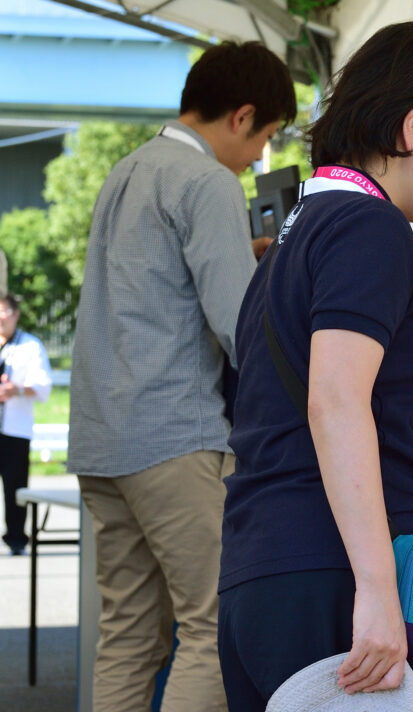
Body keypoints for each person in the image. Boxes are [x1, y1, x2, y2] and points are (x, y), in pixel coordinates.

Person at [216, 22, 413, 711]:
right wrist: (378, 588)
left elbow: (315, 402)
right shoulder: (370, 227)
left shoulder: (298, 232)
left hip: (267, 571)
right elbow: (334, 402)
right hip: (330, 576)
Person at [68, 41, 296, 712]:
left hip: (103, 439)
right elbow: (238, 324)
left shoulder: (128, 169)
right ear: (242, 115)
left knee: (129, 635)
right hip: (174, 436)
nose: (261, 158)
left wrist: (240, 253)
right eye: (268, 138)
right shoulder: (209, 182)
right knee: (213, 623)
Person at [0, 294, 52, 555]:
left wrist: (15, 390)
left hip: (14, 429)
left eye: (4, 313)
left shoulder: (30, 346)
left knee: (15, 486)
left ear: (15, 314)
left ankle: (17, 538)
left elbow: (42, 386)